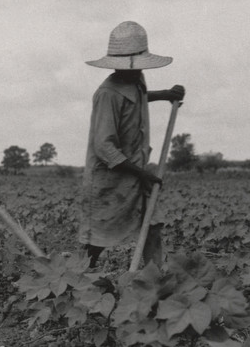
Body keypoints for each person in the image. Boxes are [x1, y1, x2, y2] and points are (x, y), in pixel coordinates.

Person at [78, 21, 185, 270]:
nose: (137, 71)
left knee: (153, 224)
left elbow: (137, 99)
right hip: (110, 178)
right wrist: (141, 173)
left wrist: (165, 94)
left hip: (137, 170)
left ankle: (153, 280)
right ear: (117, 66)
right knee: (98, 238)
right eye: (133, 67)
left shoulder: (136, 80)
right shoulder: (107, 94)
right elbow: (104, 147)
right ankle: (80, 279)